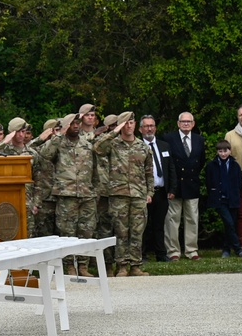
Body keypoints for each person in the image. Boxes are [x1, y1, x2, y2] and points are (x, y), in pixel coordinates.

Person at [93, 112, 154, 277]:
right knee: (121, 232)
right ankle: (121, 266)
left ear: (135, 125)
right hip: (118, 194)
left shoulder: (142, 146)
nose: (129, 126)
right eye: (126, 123)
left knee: (137, 231)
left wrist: (150, 192)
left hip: (138, 194)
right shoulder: (113, 144)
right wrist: (114, 131)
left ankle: (135, 265)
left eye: (131, 123)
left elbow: (149, 172)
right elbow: (97, 147)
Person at [38, 113, 97, 276]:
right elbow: (43, 155)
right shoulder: (58, 143)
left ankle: (83, 266)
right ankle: (69, 266)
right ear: (65, 126)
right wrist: (58, 135)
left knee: (86, 231)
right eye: (72, 123)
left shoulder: (87, 144)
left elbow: (95, 169)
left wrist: (95, 190)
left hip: (87, 194)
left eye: (78, 123)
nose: (76, 126)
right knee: (67, 232)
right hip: (66, 195)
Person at [162, 112, 205, 261]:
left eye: (189, 121)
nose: (186, 124)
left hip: (192, 184)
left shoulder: (199, 139)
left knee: (192, 218)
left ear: (193, 124)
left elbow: (201, 162)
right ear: (178, 123)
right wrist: (171, 186)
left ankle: (191, 251)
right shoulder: (169, 138)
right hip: (175, 186)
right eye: (183, 121)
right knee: (172, 219)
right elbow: (167, 163)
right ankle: (173, 251)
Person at [139, 115, 176, 262]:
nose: (149, 128)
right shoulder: (137, 146)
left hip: (161, 192)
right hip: (144, 193)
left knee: (159, 225)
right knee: (143, 226)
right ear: (140, 129)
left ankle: (161, 254)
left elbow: (171, 168)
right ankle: (142, 255)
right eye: (146, 126)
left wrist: (172, 189)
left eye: (152, 125)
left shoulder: (164, 145)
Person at [206, 140, 242, 258]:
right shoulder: (211, 165)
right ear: (217, 152)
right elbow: (209, 183)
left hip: (233, 199)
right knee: (229, 223)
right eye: (220, 151)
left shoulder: (235, 166)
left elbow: (237, 183)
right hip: (219, 200)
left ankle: (226, 249)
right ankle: (238, 249)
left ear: (230, 151)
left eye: (225, 151)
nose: (223, 154)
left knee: (229, 225)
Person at [224, 104, 242, 254]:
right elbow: (227, 159)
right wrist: (241, 178)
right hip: (238, 180)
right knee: (241, 214)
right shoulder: (230, 135)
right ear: (237, 117)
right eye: (240, 115)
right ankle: (241, 245)